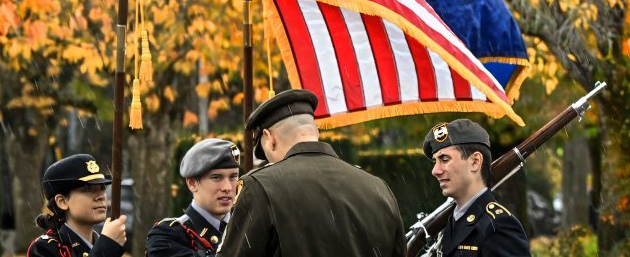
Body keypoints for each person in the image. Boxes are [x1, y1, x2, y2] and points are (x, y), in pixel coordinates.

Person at [217, 89, 406, 257]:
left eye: (265, 153)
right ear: (315, 131)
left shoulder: (259, 186)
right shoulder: (378, 188)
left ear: (269, 138)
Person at [423, 119, 530, 257]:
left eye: (444, 159)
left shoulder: (498, 225)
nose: (435, 170)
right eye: (435, 161)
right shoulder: (452, 221)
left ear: (475, 162)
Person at [147, 138, 241, 256]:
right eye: (216, 177)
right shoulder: (168, 235)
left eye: (233, 177)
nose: (227, 187)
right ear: (192, 183)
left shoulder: (249, 228)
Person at [27, 153, 127, 257]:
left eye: (102, 188)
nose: (101, 196)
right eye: (87, 189)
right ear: (62, 202)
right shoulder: (43, 249)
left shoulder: (101, 242)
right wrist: (106, 247)